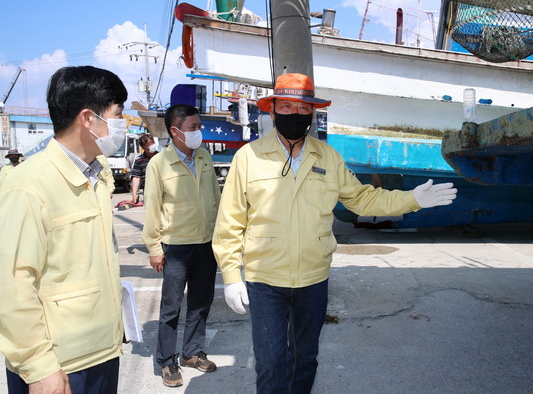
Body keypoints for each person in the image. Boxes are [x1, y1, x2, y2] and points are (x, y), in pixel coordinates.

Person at [212, 73, 458, 394]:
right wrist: (231, 276)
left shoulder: (328, 157)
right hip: (265, 279)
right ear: (272, 112)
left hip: (314, 279)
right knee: (271, 361)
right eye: (286, 107)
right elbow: (230, 221)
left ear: (312, 114)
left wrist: (412, 199)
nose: (295, 115)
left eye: (303, 109)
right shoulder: (249, 157)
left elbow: (363, 198)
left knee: (306, 358)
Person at [0, 65, 128, 394]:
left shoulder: (95, 177)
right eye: (118, 113)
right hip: (59, 366)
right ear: (88, 118)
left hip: (100, 352)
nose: (123, 124)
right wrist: (39, 368)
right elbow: (11, 286)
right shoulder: (29, 184)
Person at [142, 103, 221, 388]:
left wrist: (221, 236)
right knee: (171, 308)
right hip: (176, 247)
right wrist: (154, 247)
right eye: (193, 128)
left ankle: (193, 352)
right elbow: (152, 206)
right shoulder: (159, 164)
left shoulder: (204, 157)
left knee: (201, 303)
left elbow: (215, 197)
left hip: (206, 244)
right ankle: (167, 361)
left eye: (199, 126)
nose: (199, 132)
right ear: (175, 131)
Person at [130, 133, 158, 204]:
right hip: (149, 193)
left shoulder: (162, 156)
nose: (152, 145)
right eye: (149, 143)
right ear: (143, 148)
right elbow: (136, 178)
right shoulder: (139, 160)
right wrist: (134, 194)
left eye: (153, 142)